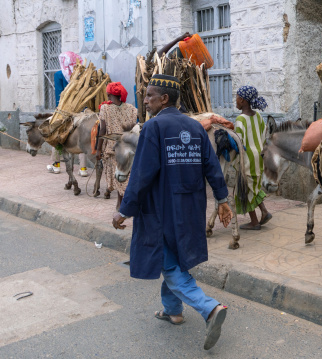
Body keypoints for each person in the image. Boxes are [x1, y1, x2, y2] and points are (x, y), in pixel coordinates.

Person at [112, 74, 233, 351]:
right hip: (190, 210)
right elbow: (212, 167)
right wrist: (222, 199)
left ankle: (210, 308)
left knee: (169, 265)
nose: (145, 100)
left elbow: (141, 175)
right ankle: (173, 311)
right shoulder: (195, 128)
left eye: (149, 96)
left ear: (164, 99)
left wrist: (124, 210)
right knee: (176, 258)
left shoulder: (153, 128)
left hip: (161, 211)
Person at [234, 85, 272, 230]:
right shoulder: (259, 117)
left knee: (245, 188)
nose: (236, 100)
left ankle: (255, 221)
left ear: (242, 100)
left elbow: (239, 142)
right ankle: (263, 212)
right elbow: (263, 137)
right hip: (258, 158)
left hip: (247, 158)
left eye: (237, 97)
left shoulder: (240, 120)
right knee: (253, 186)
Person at [96, 82, 138, 210]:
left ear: (109, 95)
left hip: (113, 148)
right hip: (129, 147)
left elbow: (102, 130)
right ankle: (121, 202)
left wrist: (98, 149)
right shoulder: (131, 109)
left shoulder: (105, 109)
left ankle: (121, 204)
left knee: (118, 176)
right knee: (126, 175)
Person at [47, 51, 89, 176]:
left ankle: (56, 165)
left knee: (56, 136)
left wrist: (58, 113)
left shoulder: (59, 75)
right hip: (80, 111)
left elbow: (59, 95)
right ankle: (83, 169)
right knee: (81, 139)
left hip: (65, 111)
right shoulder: (82, 75)